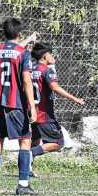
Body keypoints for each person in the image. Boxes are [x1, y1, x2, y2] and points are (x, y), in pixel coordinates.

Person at [0, 18, 37, 196]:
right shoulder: (23, 53)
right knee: (25, 140)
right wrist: (32, 106)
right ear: (20, 34)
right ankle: (23, 184)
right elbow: (26, 81)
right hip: (16, 104)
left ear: (3, 33)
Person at [28, 43, 85, 177]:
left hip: (32, 112)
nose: (53, 56)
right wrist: (75, 99)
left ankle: (27, 168)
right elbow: (55, 87)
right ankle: (29, 154)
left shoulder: (30, 70)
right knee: (59, 142)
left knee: (35, 140)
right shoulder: (46, 70)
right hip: (44, 114)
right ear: (44, 56)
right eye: (50, 54)